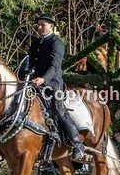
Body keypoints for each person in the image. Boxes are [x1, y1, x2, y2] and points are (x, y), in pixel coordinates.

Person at [29, 14, 86, 162]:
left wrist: (43, 79)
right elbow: (29, 65)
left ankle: (77, 143)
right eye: (39, 24)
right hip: (34, 84)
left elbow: (55, 67)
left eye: (43, 24)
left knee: (59, 109)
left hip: (53, 85)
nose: (40, 27)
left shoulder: (57, 43)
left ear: (51, 26)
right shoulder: (35, 44)